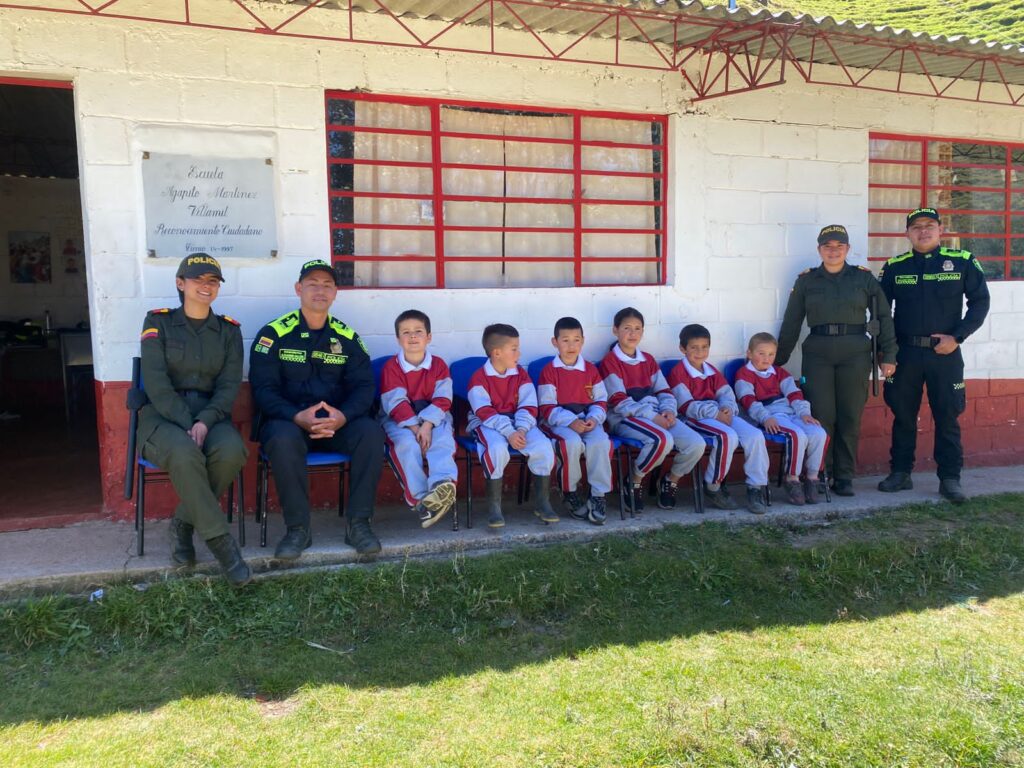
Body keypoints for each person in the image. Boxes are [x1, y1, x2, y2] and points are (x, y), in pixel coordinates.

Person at [249, 259, 384, 559]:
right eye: (312, 284)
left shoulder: (348, 338)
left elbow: (364, 388)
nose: (320, 290)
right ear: (299, 289)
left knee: (371, 433)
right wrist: (297, 416)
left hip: (335, 425)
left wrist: (342, 417)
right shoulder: (272, 335)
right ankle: (298, 530)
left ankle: (359, 525)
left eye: (327, 285)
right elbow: (263, 390)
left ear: (336, 292)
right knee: (282, 439)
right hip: (288, 423)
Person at [137, 253, 250, 586]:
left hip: (210, 417)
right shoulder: (157, 322)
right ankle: (223, 547)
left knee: (231, 452)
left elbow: (229, 386)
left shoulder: (229, 331)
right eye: (198, 279)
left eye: (212, 281)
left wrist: (204, 421)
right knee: (185, 454)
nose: (206, 286)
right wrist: (189, 422)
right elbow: (156, 385)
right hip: (163, 416)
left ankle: (183, 523)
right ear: (180, 283)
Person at [877, 207, 990, 503]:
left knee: (948, 416)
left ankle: (950, 479)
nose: (923, 231)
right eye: (916, 227)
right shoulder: (894, 267)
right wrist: (886, 352)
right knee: (903, 416)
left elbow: (980, 303)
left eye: (929, 225)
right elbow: (880, 313)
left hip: (946, 354)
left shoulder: (962, 261)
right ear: (907, 233)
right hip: (905, 355)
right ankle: (900, 473)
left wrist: (958, 337)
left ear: (941, 229)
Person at [776, 224, 897, 497]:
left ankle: (844, 476)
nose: (833, 251)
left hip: (855, 351)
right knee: (821, 416)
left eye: (839, 246)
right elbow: (792, 321)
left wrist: (889, 355)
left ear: (847, 249)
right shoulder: (806, 281)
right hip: (817, 351)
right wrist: (777, 361)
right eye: (827, 246)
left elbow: (883, 318)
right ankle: (820, 472)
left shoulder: (863, 279)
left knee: (850, 416)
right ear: (819, 249)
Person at [599, 307, 705, 513]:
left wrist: (668, 410)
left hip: (657, 414)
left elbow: (664, 390)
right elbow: (620, 402)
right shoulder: (610, 362)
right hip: (625, 418)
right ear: (615, 330)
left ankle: (670, 480)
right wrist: (653, 417)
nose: (632, 334)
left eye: (638, 328)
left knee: (695, 443)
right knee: (661, 440)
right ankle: (634, 480)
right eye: (627, 328)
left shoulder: (648, 360)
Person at [667, 324, 773, 512]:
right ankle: (713, 486)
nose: (700, 352)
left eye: (705, 347)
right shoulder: (678, 373)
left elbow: (726, 394)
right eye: (694, 347)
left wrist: (727, 408)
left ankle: (755, 487)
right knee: (727, 437)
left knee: (755, 435)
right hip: (694, 418)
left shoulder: (711, 370)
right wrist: (715, 414)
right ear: (683, 349)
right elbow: (685, 406)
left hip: (720, 413)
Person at [467, 323, 557, 528]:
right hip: (488, 423)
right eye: (514, 349)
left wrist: (522, 429)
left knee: (542, 446)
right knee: (496, 448)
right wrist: (509, 432)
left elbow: (528, 404)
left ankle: (542, 502)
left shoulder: (521, 374)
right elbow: (484, 412)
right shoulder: (478, 379)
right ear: (497, 353)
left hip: (519, 423)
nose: (519, 353)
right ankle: (494, 508)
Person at [378, 309, 458, 528]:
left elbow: (443, 399)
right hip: (399, 419)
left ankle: (442, 483)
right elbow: (394, 402)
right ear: (398, 339)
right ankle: (422, 499)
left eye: (418, 331)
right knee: (406, 446)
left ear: (429, 337)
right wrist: (416, 429)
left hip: (434, 417)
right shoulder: (391, 367)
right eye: (406, 332)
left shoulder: (439, 365)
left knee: (441, 440)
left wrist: (428, 426)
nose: (412, 336)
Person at [734, 332, 829, 512]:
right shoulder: (744, 374)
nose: (766, 358)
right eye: (761, 353)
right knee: (796, 435)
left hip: (790, 412)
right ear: (749, 353)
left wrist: (804, 413)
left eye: (771, 354)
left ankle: (812, 477)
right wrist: (765, 417)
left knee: (818, 432)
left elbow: (794, 393)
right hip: (768, 415)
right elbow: (748, 401)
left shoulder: (779, 372)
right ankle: (792, 479)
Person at [537, 316, 612, 526]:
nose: (571, 346)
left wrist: (594, 419)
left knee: (600, 442)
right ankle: (570, 491)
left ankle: (598, 495)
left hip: (587, 420)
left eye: (576, 340)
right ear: (555, 342)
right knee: (570, 443)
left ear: (583, 341)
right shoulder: (549, 372)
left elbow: (601, 399)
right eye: (565, 340)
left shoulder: (590, 369)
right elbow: (547, 407)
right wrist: (570, 422)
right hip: (559, 423)